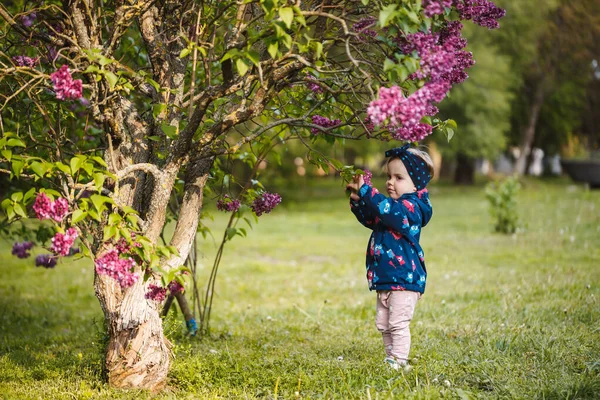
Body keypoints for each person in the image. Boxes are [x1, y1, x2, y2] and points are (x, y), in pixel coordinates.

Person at [346, 144, 434, 371]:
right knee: (384, 324)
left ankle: (400, 360)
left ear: (417, 184)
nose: (390, 182)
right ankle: (391, 360)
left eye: (398, 177)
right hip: (386, 277)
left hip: (405, 279)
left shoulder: (412, 208)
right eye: (388, 176)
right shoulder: (391, 208)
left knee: (397, 323)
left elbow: (388, 211)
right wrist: (359, 201)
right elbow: (373, 219)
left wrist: (368, 192)